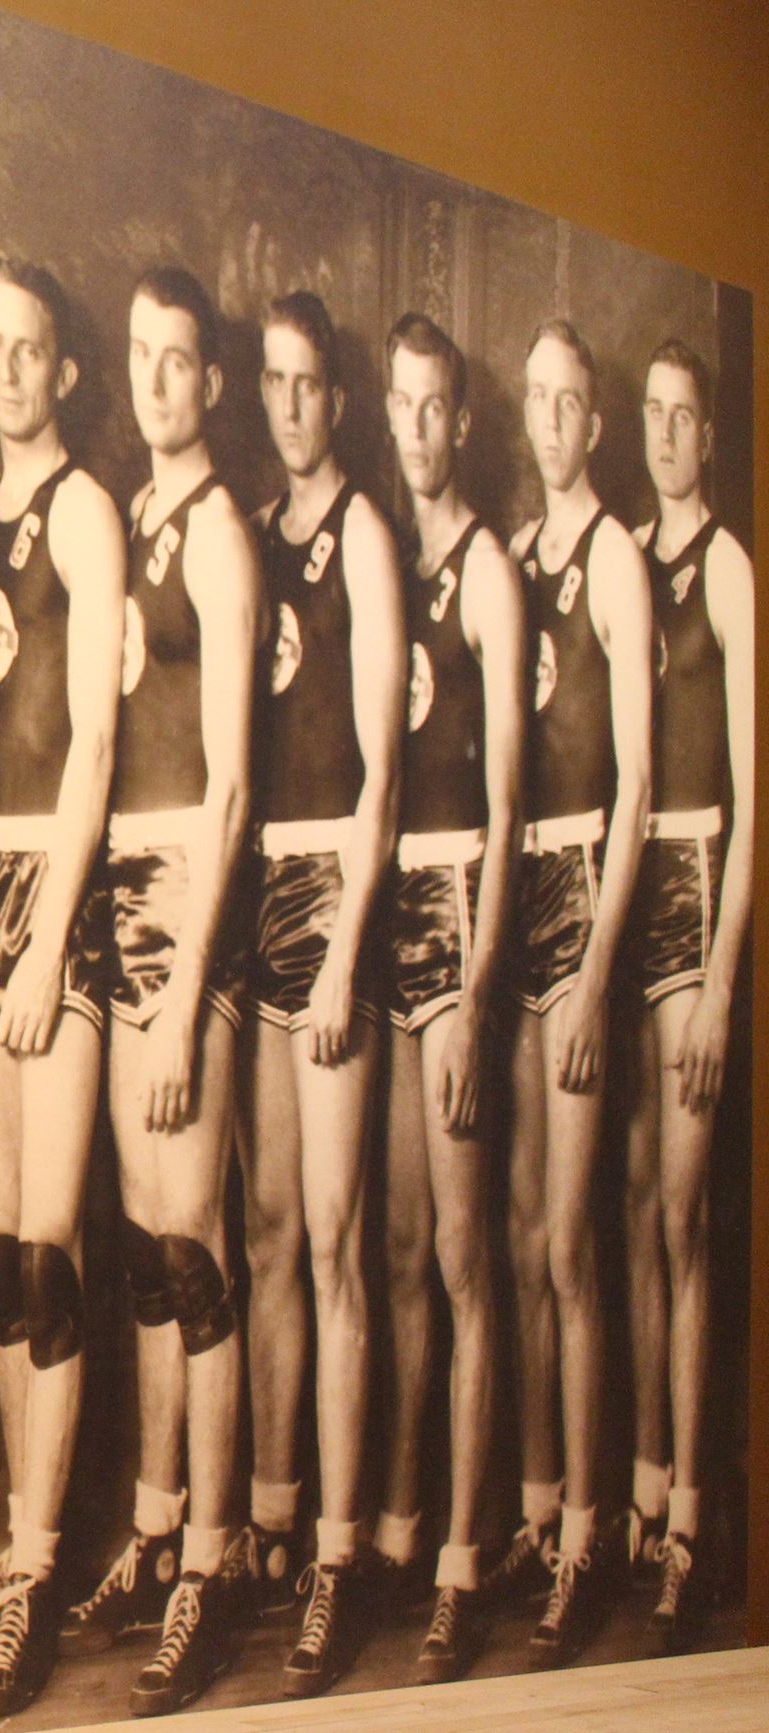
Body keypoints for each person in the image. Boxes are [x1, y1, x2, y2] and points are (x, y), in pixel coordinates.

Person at [0, 259, 123, 1722]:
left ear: (65, 371)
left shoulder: (83, 511)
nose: (9, 369)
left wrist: (53, 938)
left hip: (59, 902)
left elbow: (97, 747)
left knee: (50, 1251)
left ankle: (45, 1568)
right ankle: (16, 1545)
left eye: (32, 350)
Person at [234, 289, 404, 1696]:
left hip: (337, 899)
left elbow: (384, 773)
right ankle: (281, 1518)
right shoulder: (255, 529)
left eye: (309, 385)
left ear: (339, 402)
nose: (290, 405)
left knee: (342, 1239)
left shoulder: (362, 535)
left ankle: (343, 1552)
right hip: (255, 904)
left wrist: (349, 945)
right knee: (274, 1228)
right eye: (272, 383)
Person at [98, 265, 259, 1718]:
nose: (158, 380)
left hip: (185, 919)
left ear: (211, 384)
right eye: (142, 355)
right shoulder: (134, 515)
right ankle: (155, 1522)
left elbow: (231, 781)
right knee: (148, 1250)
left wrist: (183, 980)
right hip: (113, 908)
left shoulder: (214, 533)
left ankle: (211, 1557)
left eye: (181, 361)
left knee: (196, 1251)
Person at [369, 313, 524, 1686]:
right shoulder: (380, 557)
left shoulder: (485, 572)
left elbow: (512, 802)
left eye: (437, 410)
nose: (418, 430)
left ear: (463, 423)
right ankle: (413, 1533)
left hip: (465, 910)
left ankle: (470, 1559)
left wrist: (479, 987)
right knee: (406, 1249)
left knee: (470, 1258)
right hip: (387, 914)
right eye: (401, 406)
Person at [500, 318, 653, 1668]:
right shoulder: (515, 554)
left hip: (592, 894)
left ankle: (594, 1524)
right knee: (510, 1233)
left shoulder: (611, 556)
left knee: (568, 1239)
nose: (552, 420)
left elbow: (643, 784)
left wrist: (601, 976)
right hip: (516, 897)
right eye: (536, 400)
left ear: (596, 427)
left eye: (570, 402)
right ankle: (541, 1510)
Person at [620, 338, 753, 1653]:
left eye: (684, 417)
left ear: (712, 436)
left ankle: (700, 1514)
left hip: (701, 876)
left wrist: (722, 979)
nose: (666, 435)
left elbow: (755, 790)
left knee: (686, 1215)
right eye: (650, 415)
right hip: (627, 877)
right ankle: (649, 1488)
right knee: (633, 1205)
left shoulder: (725, 564)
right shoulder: (625, 558)